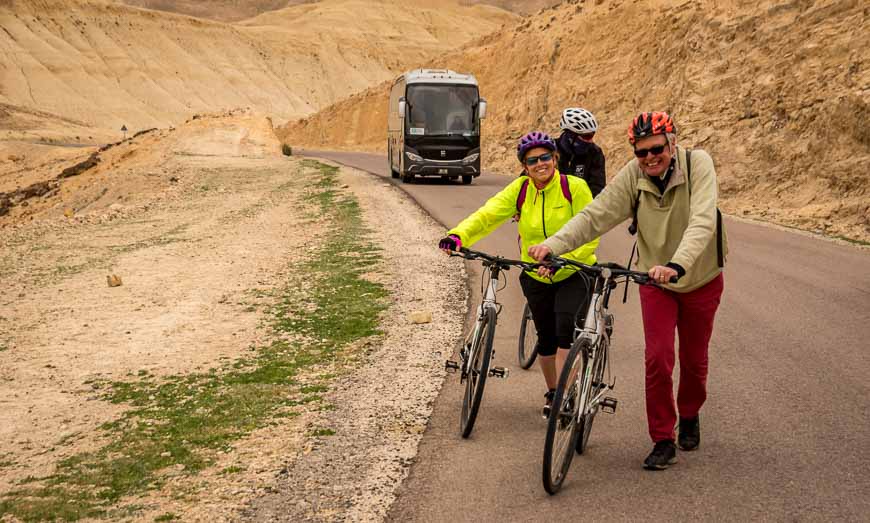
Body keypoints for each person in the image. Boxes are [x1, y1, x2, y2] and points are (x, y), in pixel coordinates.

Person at [528, 111, 727, 470]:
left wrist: (678, 264)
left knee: (695, 361)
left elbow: (702, 220)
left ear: (672, 142)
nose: (649, 158)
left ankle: (691, 413)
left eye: (656, 149)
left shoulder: (698, 165)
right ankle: (663, 438)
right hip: (655, 279)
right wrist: (554, 244)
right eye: (641, 152)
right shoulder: (634, 175)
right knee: (658, 358)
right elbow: (595, 215)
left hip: (699, 276)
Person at [438, 131, 599, 417]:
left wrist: (562, 259)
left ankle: (565, 397)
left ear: (555, 158)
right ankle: (554, 392)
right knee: (546, 339)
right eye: (532, 160)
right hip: (535, 274)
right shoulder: (521, 189)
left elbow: (589, 232)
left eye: (545, 157)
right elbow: (488, 214)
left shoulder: (573, 187)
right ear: (525, 167)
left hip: (574, 271)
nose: (540, 164)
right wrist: (457, 236)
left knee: (565, 332)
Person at [556, 107, 606, 197]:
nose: (591, 141)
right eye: (587, 136)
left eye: (592, 134)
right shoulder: (549, 150)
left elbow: (597, 189)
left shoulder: (595, 153)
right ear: (571, 136)